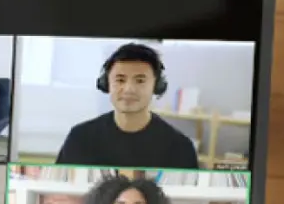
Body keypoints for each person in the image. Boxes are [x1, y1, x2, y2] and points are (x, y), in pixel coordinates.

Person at [56, 43, 199, 168]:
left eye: (140, 80)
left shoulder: (180, 147)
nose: (129, 89)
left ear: (156, 86)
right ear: (107, 84)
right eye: (120, 80)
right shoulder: (80, 138)